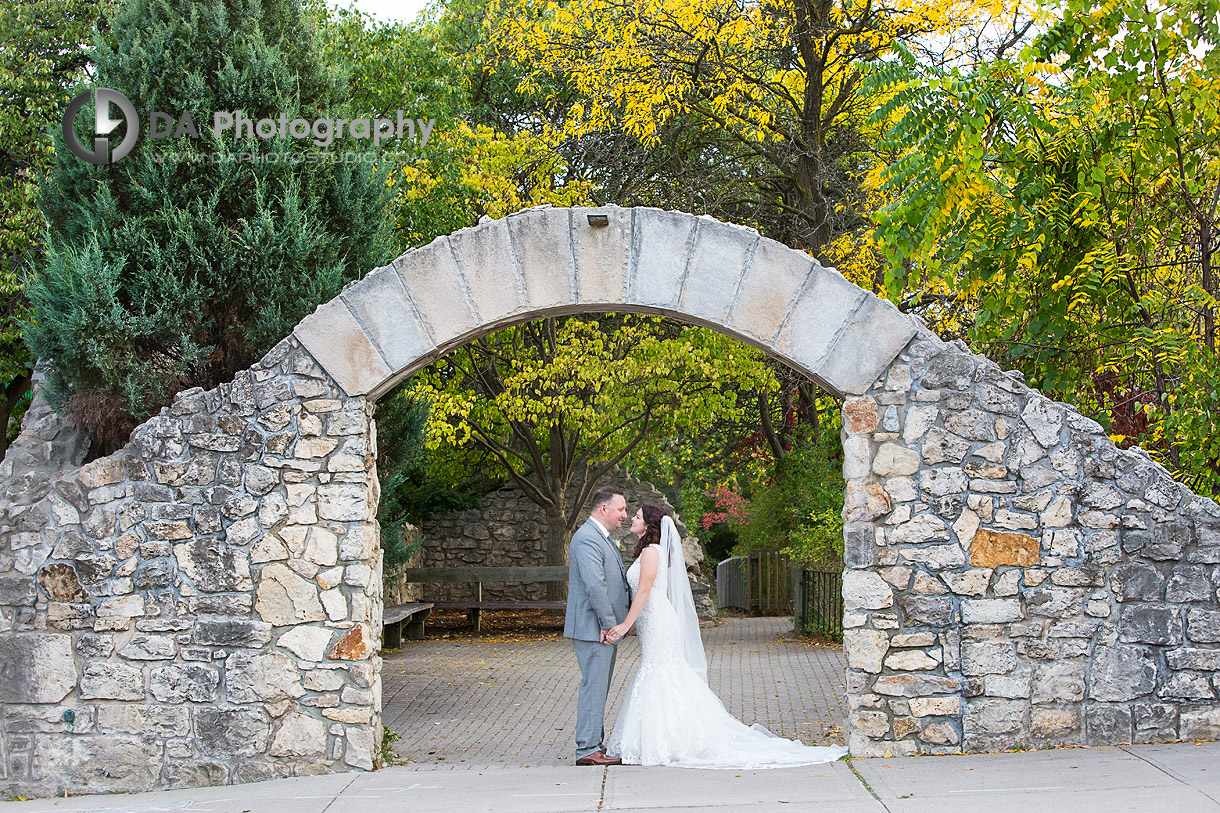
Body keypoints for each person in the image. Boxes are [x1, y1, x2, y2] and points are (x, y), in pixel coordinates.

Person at [604, 504, 848, 768]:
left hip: (658, 622)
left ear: (649, 525)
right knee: (663, 672)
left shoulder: (652, 552)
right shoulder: (649, 551)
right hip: (652, 622)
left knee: (659, 672)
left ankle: (667, 740)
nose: (632, 519)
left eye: (638, 517)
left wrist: (625, 625)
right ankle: (667, 737)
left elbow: (643, 592)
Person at [563, 486, 631, 766]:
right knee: (594, 687)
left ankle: (594, 745)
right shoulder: (588, 538)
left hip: (598, 628)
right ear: (604, 509)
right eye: (621, 509)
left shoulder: (600, 537)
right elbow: (595, 585)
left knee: (598, 686)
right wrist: (609, 624)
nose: (624, 515)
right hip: (595, 628)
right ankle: (588, 749)